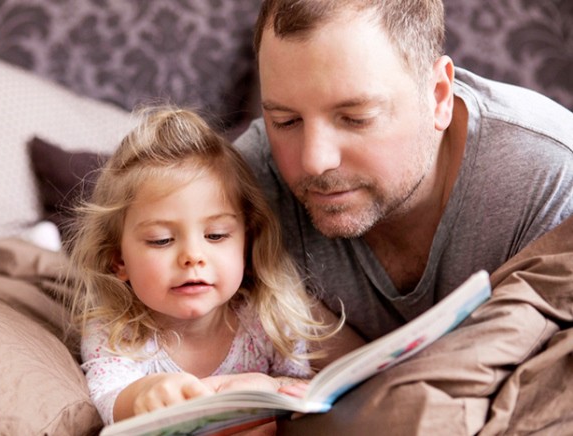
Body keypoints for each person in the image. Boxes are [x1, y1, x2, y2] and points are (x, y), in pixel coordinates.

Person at [234, 0, 573, 432]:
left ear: (438, 97)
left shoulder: (548, 176)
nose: (315, 160)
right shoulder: (244, 188)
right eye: (285, 121)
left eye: (355, 118)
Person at [67, 106, 363, 426]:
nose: (193, 256)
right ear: (119, 260)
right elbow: (108, 396)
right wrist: (142, 396)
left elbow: (329, 376)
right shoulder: (116, 332)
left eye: (216, 235)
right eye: (161, 240)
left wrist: (273, 387)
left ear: (246, 244)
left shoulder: (268, 316)